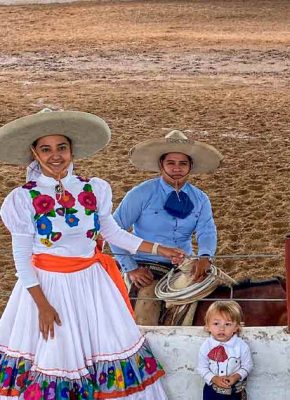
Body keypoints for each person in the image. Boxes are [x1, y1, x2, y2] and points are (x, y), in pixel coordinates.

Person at [0, 109, 186, 399]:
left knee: (105, 346)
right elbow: (22, 260)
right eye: (46, 149)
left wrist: (160, 249)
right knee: (57, 353)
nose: (55, 155)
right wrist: (43, 305)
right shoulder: (23, 199)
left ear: (72, 150)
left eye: (61, 147)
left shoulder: (93, 189)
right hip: (48, 287)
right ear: (34, 153)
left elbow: (113, 233)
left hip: (92, 284)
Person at [112, 130, 222, 325]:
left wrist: (205, 257)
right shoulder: (141, 193)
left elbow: (207, 230)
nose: (176, 168)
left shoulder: (200, 198)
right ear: (161, 165)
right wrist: (131, 268)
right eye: (171, 163)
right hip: (147, 264)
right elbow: (114, 229)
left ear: (190, 167)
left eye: (183, 163)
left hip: (184, 264)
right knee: (147, 306)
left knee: (223, 293)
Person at [197, 301, 253, 400]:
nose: (221, 328)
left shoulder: (241, 346)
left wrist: (235, 377)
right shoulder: (206, 346)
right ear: (207, 326)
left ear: (236, 328)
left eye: (227, 324)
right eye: (216, 323)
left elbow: (247, 366)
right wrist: (214, 379)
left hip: (235, 390)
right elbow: (202, 368)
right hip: (212, 390)